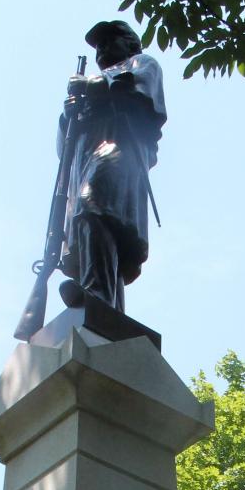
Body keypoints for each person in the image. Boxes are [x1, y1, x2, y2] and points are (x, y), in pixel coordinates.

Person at [57, 21, 166, 312]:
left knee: (92, 205)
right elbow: (63, 150)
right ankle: (108, 307)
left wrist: (93, 85)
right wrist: (68, 116)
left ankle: (96, 295)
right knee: (93, 222)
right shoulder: (91, 88)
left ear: (129, 43)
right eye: (98, 46)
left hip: (120, 151)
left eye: (109, 41)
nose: (102, 49)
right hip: (85, 159)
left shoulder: (142, 63)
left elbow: (138, 91)